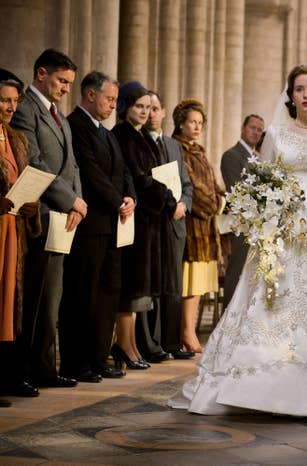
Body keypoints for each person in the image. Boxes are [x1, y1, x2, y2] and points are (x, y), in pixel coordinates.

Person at [170, 64, 307, 421]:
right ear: (291, 95)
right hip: (281, 230)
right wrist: (264, 214)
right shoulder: (276, 134)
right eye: (300, 89)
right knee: (272, 299)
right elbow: (263, 182)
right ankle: (255, 386)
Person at [11, 49, 84, 389]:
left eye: (69, 83)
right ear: (41, 73)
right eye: (61, 81)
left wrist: (77, 201)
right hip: (39, 215)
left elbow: (72, 166)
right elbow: (35, 163)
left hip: (63, 216)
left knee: (52, 297)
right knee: (35, 298)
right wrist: (70, 200)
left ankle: (44, 368)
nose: (67, 88)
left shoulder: (59, 116)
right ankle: (22, 370)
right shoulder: (25, 110)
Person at [60, 71, 135, 382]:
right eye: (110, 99)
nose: (113, 106)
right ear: (90, 95)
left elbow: (124, 170)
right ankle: (76, 362)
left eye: (116, 101)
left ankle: (98, 356)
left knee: (107, 294)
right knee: (83, 294)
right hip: (90, 225)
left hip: (113, 225)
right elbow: (90, 173)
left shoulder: (107, 132)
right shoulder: (75, 125)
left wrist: (130, 196)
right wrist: (117, 200)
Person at [112, 81, 174, 370]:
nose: (145, 112)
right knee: (132, 284)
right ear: (126, 106)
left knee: (141, 285)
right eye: (140, 106)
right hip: (133, 217)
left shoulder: (142, 137)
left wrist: (164, 193)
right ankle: (124, 343)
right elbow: (139, 177)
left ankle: (132, 344)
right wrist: (165, 195)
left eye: (149, 108)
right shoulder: (123, 135)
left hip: (148, 220)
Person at [0, 69, 42, 404]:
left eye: (14, 101)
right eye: (4, 100)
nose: (10, 107)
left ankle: (8, 375)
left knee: (10, 306)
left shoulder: (16, 137)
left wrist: (31, 204)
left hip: (13, 231)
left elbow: (25, 176)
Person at [143, 91, 194, 361]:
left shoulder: (174, 146)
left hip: (175, 222)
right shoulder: (140, 142)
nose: (152, 114)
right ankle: (152, 345)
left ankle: (173, 343)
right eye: (147, 108)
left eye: (156, 108)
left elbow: (186, 183)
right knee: (153, 284)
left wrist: (184, 204)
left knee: (174, 284)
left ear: (164, 112)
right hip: (153, 221)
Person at [173, 99, 222, 354]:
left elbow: (213, 183)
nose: (196, 127)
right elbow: (193, 186)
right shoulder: (178, 149)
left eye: (200, 123)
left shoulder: (199, 151)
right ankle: (186, 332)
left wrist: (223, 197)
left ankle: (189, 330)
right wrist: (213, 203)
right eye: (192, 122)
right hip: (192, 224)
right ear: (181, 123)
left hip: (206, 227)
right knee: (189, 283)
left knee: (199, 285)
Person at [220, 114, 264, 306]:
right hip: (241, 224)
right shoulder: (232, 155)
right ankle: (227, 318)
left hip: (257, 225)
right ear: (243, 129)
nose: (255, 132)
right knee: (236, 272)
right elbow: (236, 189)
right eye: (252, 128)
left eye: (259, 130)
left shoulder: (257, 158)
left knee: (251, 275)